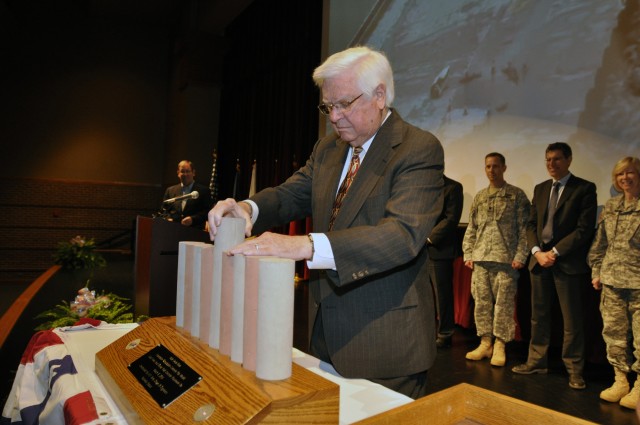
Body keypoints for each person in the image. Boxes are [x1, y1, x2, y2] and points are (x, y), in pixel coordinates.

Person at [208, 46, 444, 398]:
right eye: (327, 107)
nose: (333, 117)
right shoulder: (328, 149)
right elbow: (292, 194)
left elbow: (402, 236)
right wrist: (246, 207)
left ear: (380, 95)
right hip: (326, 333)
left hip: (387, 341)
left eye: (344, 104)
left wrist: (304, 245)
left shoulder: (417, 149)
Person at [512, 142, 597, 390]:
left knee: (572, 320)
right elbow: (530, 225)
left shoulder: (584, 189)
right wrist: (537, 252)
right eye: (548, 159)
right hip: (539, 263)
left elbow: (583, 230)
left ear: (569, 160)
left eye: (557, 159)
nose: (552, 164)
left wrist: (555, 252)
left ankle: (574, 369)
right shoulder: (540, 189)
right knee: (538, 317)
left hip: (567, 264)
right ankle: (537, 361)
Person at [461, 153, 529, 367]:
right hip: (481, 258)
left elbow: (524, 230)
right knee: (481, 303)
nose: (492, 170)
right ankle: (485, 342)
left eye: (496, 166)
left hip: (505, 261)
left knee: (503, 305)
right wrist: (468, 253)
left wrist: (520, 256)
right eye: (488, 166)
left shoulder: (516, 196)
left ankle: (500, 345)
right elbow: (472, 227)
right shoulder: (480, 196)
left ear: (504, 168)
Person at [588, 156, 640, 409]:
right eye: (620, 174)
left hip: (639, 285)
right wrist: (597, 272)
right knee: (614, 335)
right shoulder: (611, 206)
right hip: (611, 283)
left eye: (630, 173)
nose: (625, 178)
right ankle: (621, 381)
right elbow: (599, 245)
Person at [427, 175, 463, 349]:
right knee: (422, 294)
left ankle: (445, 333)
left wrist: (428, 238)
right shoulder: (421, 185)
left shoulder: (453, 187)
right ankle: (426, 332)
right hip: (417, 249)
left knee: (443, 296)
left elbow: (451, 219)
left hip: (439, 248)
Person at [162, 160, 212, 229]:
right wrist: (168, 219)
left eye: (188, 171)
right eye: (182, 171)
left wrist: (193, 219)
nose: (185, 174)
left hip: (194, 231)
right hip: (173, 230)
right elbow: (164, 210)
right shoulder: (170, 190)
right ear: (178, 173)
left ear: (193, 173)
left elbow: (207, 212)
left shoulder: (203, 191)